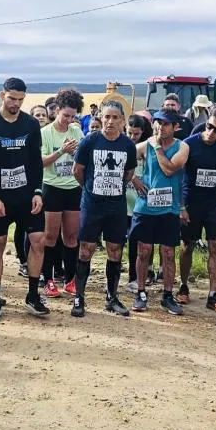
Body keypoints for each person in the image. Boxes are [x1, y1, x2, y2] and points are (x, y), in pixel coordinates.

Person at [0, 77, 50, 322]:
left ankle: (32, 295)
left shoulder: (30, 124)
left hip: (26, 193)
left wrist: (38, 191)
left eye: (20, 100)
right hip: (0, 196)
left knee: (38, 240)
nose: (16, 104)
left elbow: (35, 161)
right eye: (12, 98)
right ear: (2, 95)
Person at [72, 100, 138, 317]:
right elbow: (78, 171)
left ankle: (111, 297)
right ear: (100, 118)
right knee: (85, 250)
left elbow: (128, 174)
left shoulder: (128, 145)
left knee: (115, 250)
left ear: (122, 121)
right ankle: (79, 297)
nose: (110, 122)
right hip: (92, 205)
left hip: (116, 207)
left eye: (115, 118)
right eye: (106, 117)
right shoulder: (89, 141)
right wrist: (90, 189)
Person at [130, 108, 189, 315]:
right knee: (143, 251)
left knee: (168, 253)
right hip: (145, 207)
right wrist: (134, 179)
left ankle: (167, 295)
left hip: (169, 209)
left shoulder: (182, 147)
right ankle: (140, 292)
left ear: (175, 127)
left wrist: (156, 149)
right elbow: (125, 157)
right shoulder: (146, 144)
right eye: (157, 123)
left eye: (165, 124)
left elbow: (170, 169)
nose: (160, 127)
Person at [177, 109, 216, 313]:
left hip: (214, 203)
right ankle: (183, 285)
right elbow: (178, 175)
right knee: (187, 245)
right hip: (191, 202)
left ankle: (213, 294)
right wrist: (181, 206)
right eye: (209, 127)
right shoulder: (189, 144)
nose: (211, 132)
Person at [41, 88, 84, 299]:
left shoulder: (76, 131)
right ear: (57, 110)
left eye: (72, 116)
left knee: (71, 236)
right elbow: (41, 162)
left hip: (72, 188)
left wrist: (77, 153)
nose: (69, 119)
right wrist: (61, 151)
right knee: (50, 236)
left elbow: (83, 157)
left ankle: (70, 280)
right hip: (52, 187)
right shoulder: (45, 133)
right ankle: (47, 279)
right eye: (65, 115)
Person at [124, 114, 151, 291]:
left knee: (136, 242)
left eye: (136, 134)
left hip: (139, 203)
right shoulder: (123, 146)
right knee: (118, 241)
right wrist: (133, 178)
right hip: (123, 202)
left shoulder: (147, 148)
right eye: (130, 133)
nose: (133, 137)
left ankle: (135, 277)